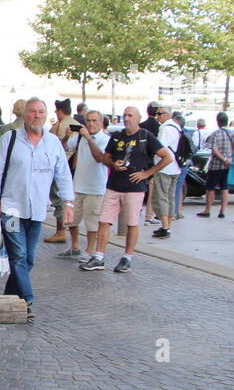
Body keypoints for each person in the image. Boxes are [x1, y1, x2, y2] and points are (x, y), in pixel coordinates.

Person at [0, 97, 74, 323]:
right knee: (18, 256)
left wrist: (68, 203)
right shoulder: (10, 138)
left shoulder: (53, 143)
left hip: (36, 210)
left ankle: (9, 298)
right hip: (12, 208)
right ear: (25, 115)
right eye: (33, 112)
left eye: (41, 112)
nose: (37, 116)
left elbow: (62, 174)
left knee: (30, 258)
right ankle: (26, 300)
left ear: (46, 115)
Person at [79, 106, 172, 274]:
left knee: (132, 223)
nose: (127, 118)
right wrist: (114, 164)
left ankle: (127, 257)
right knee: (104, 221)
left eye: (130, 115)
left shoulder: (146, 137)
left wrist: (146, 174)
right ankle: (99, 256)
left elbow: (167, 157)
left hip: (134, 187)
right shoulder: (117, 136)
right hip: (114, 185)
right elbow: (106, 157)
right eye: (125, 115)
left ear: (138, 118)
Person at [58, 109, 110, 260]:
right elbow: (64, 148)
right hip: (78, 185)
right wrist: (68, 135)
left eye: (94, 120)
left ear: (101, 122)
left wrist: (88, 138)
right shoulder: (80, 138)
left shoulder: (105, 139)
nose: (91, 123)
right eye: (88, 120)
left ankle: (89, 250)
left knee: (92, 222)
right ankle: (75, 246)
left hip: (95, 188)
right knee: (72, 219)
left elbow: (99, 158)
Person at [45, 99, 77, 243]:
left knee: (58, 199)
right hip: (74, 167)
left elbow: (52, 148)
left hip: (60, 167)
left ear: (60, 111)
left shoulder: (59, 126)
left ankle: (60, 230)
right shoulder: (78, 125)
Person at [196, 111, 234, 219]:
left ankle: (208, 209)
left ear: (217, 121)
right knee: (225, 188)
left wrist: (223, 159)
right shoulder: (232, 134)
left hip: (215, 165)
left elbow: (214, 149)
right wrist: (229, 159)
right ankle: (222, 211)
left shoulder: (215, 134)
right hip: (228, 165)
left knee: (211, 188)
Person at [151, 106, 183, 238]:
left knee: (162, 197)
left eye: (159, 113)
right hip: (176, 167)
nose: (157, 116)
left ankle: (165, 226)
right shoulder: (177, 127)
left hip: (165, 167)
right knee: (170, 197)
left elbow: (159, 147)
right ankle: (167, 225)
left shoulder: (165, 128)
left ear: (167, 115)